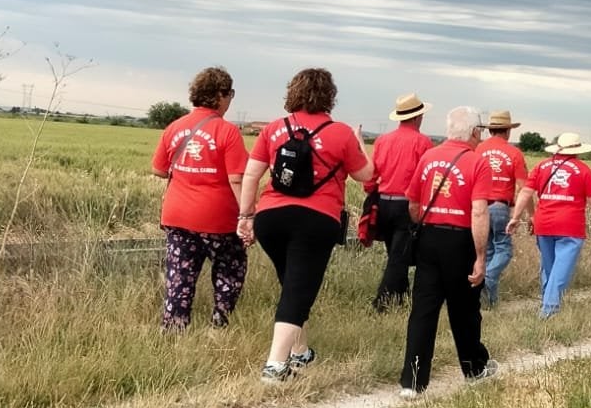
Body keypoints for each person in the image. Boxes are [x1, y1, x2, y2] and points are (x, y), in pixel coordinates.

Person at [238, 68, 373, 381]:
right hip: (316, 220)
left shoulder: (273, 129)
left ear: (293, 92)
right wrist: (359, 143)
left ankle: (300, 353)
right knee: (299, 289)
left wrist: (245, 217)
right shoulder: (339, 133)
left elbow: (251, 175)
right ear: (330, 96)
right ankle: (275, 365)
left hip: (270, 218)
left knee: (294, 285)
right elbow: (366, 175)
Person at [399, 106, 496, 396]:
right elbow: (479, 212)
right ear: (475, 133)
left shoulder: (429, 156)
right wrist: (480, 257)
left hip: (429, 238)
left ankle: (413, 382)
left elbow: (413, 204)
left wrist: (426, 227)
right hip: (460, 240)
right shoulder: (478, 163)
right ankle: (474, 368)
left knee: (423, 311)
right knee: (465, 310)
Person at [151, 67, 249, 332]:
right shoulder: (227, 132)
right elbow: (238, 179)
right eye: (230, 94)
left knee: (179, 277)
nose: (231, 100)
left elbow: (159, 169)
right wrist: (247, 216)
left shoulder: (174, 127)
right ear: (219, 95)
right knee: (230, 268)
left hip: (177, 216)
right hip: (218, 220)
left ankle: (173, 329)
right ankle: (220, 323)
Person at [512, 135, 591, 317]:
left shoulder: (541, 167)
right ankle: (549, 310)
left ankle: (546, 300)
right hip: (570, 226)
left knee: (549, 267)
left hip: (543, 224)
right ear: (576, 151)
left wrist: (515, 217)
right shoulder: (584, 170)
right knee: (561, 269)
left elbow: (525, 193)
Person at [367, 93, 431, 312]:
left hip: (383, 203)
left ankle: (401, 298)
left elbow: (372, 174)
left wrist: (371, 194)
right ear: (417, 117)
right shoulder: (423, 142)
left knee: (396, 254)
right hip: (407, 205)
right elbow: (426, 177)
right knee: (398, 257)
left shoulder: (382, 140)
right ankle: (381, 304)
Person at [476, 110, 529, 306]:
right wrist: (530, 214)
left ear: (490, 130)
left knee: (488, 251)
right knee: (504, 250)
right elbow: (525, 188)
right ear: (508, 131)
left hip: (479, 207)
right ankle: (486, 280)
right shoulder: (514, 153)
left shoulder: (478, 150)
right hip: (500, 207)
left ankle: (490, 302)